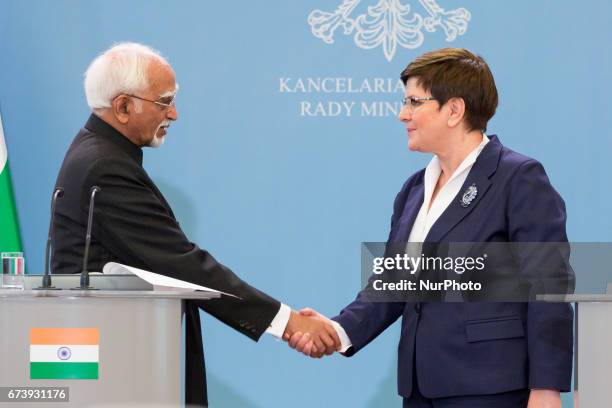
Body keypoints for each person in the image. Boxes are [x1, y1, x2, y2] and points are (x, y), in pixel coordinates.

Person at [51, 42, 340, 407]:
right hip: (114, 366)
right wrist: (288, 322)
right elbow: (182, 265)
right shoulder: (105, 167)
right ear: (123, 106)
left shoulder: (97, 153)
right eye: (164, 101)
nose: (173, 114)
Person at [287, 48, 574, 407]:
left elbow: (548, 286)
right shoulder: (413, 189)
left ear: (454, 110)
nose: (402, 114)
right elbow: (395, 283)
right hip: (420, 389)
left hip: (491, 389)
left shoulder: (518, 177)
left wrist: (546, 388)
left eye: (413, 102)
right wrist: (337, 330)